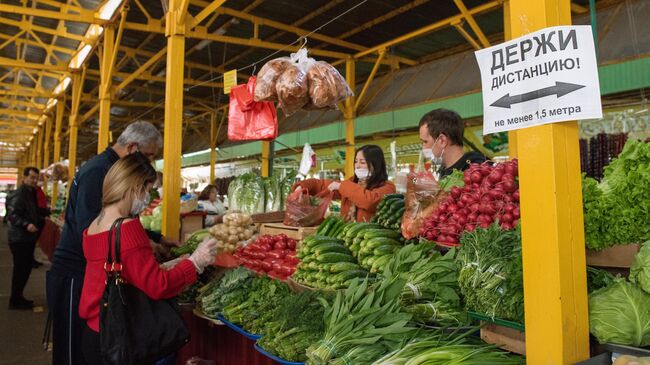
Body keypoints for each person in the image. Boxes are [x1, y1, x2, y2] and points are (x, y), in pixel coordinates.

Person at [46, 121, 179, 365]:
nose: (148, 163)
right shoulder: (99, 171)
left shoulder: (109, 168)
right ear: (132, 148)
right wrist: (140, 248)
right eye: (148, 155)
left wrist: (155, 238)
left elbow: (116, 221)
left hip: (90, 273)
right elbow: (98, 230)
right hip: (75, 274)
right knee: (72, 351)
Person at [79, 153, 218, 364]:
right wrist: (195, 262)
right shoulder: (128, 228)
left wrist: (163, 266)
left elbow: (121, 270)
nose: (147, 197)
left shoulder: (93, 225)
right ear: (135, 187)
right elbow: (158, 287)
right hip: (121, 338)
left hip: (94, 333)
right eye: (147, 189)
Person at [293, 145, 395, 222]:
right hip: (347, 237)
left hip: (370, 241)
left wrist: (341, 186)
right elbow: (322, 185)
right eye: (356, 161)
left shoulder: (387, 187)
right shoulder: (352, 182)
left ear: (375, 165)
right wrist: (301, 187)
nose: (357, 166)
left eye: (362, 162)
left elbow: (370, 201)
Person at [5, 167, 48, 309]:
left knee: (24, 269)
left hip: (26, 238)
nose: (34, 180)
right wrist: (27, 224)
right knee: (21, 270)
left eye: (36, 178)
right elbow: (12, 215)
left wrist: (46, 211)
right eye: (32, 177)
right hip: (20, 238)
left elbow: (32, 211)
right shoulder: (20, 194)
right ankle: (15, 300)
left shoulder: (31, 193)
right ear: (24, 177)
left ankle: (18, 297)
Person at [419, 108, 487, 179]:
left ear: (442, 140)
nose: (423, 147)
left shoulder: (476, 171)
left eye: (425, 141)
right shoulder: (441, 172)